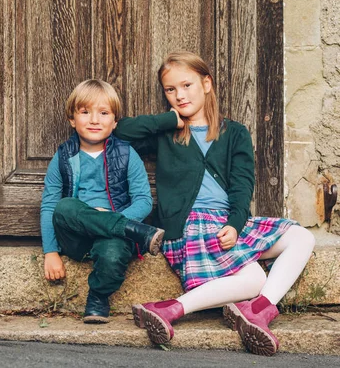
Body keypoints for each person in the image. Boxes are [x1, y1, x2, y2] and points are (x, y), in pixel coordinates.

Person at [113, 51, 315, 356]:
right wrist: (169, 119)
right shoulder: (166, 133)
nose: (179, 96)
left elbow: (242, 185)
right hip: (188, 224)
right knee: (255, 277)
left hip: (229, 223)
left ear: (206, 84)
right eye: (171, 90)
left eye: (187, 85)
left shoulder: (234, 133)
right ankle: (173, 309)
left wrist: (235, 225)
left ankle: (259, 310)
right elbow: (119, 131)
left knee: (302, 236)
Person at [41, 79, 165, 324]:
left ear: (115, 121)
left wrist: (112, 223)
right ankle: (134, 231)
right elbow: (49, 205)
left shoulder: (127, 155)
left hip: (112, 239)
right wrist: (51, 252)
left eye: (104, 113)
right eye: (85, 112)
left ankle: (98, 297)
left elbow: (143, 201)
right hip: (78, 237)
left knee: (114, 250)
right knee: (65, 206)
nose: (94, 120)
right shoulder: (64, 156)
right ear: (72, 119)